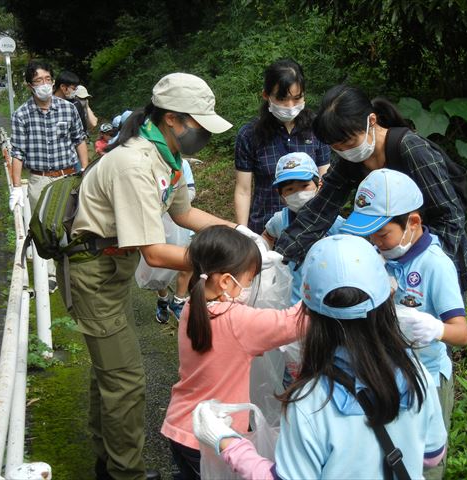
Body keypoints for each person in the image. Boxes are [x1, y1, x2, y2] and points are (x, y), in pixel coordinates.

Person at [62, 72, 277, 480]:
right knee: (126, 380)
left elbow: (183, 214)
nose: (203, 135)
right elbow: (156, 253)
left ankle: (107, 464)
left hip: (113, 266)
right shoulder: (134, 162)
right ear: (174, 119)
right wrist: (226, 264)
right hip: (93, 271)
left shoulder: (168, 156)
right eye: (199, 124)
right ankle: (127, 474)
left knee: (109, 370)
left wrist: (238, 232)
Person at [193, 234, 447, 479]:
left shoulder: (309, 401)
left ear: (307, 313)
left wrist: (229, 444)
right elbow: (432, 456)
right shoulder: (415, 373)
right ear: (386, 300)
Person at [274, 85, 467, 294]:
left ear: (372, 121)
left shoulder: (413, 150)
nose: (344, 152)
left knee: (443, 319)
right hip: (389, 254)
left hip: (438, 252)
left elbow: (450, 218)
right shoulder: (351, 161)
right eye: (336, 148)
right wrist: (279, 257)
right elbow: (319, 211)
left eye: (348, 142)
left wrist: (424, 266)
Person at [341, 168, 467, 478]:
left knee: (428, 453)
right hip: (386, 369)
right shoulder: (379, 255)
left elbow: (462, 333)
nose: (376, 241)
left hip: (428, 375)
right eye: (370, 234)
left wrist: (435, 328)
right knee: (392, 446)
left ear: (412, 222)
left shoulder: (435, 265)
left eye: (382, 233)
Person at [160, 225, 306, 480]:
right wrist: (317, 289)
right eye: (249, 281)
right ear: (226, 281)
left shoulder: (192, 306)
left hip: (180, 425)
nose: (248, 289)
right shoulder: (236, 320)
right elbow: (294, 322)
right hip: (210, 437)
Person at [9, 60, 88, 294]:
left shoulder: (67, 108)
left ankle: (76, 271)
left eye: (47, 80)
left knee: (74, 223)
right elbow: (17, 152)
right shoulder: (22, 114)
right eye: (38, 81)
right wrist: (16, 187)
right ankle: (51, 276)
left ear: (53, 81)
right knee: (44, 228)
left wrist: (85, 169)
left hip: (67, 176)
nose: (43, 85)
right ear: (29, 85)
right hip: (39, 178)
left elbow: (79, 139)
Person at [234, 58, 330, 234]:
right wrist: (243, 233)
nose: (290, 106)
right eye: (282, 99)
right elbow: (243, 190)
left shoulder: (316, 128)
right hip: (264, 225)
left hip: (309, 227)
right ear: (266, 95)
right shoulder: (250, 134)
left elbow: (324, 179)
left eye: (297, 98)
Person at [262, 151, 345, 305]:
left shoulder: (333, 221)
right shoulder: (281, 220)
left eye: (304, 185)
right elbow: (267, 235)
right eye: (290, 189)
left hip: (326, 300)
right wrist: (264, 254)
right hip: (291, 301)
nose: (299, 193)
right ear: (281, 196)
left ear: (319, 185)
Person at [155, 158, 196, 323]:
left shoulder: (181, 164)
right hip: (156, 223)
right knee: (158, 267)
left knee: (187, 262)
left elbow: (191, 191)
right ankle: (162, 299)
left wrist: (171, 199)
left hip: (180, 222)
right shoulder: (147, 164)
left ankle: (178, 301)